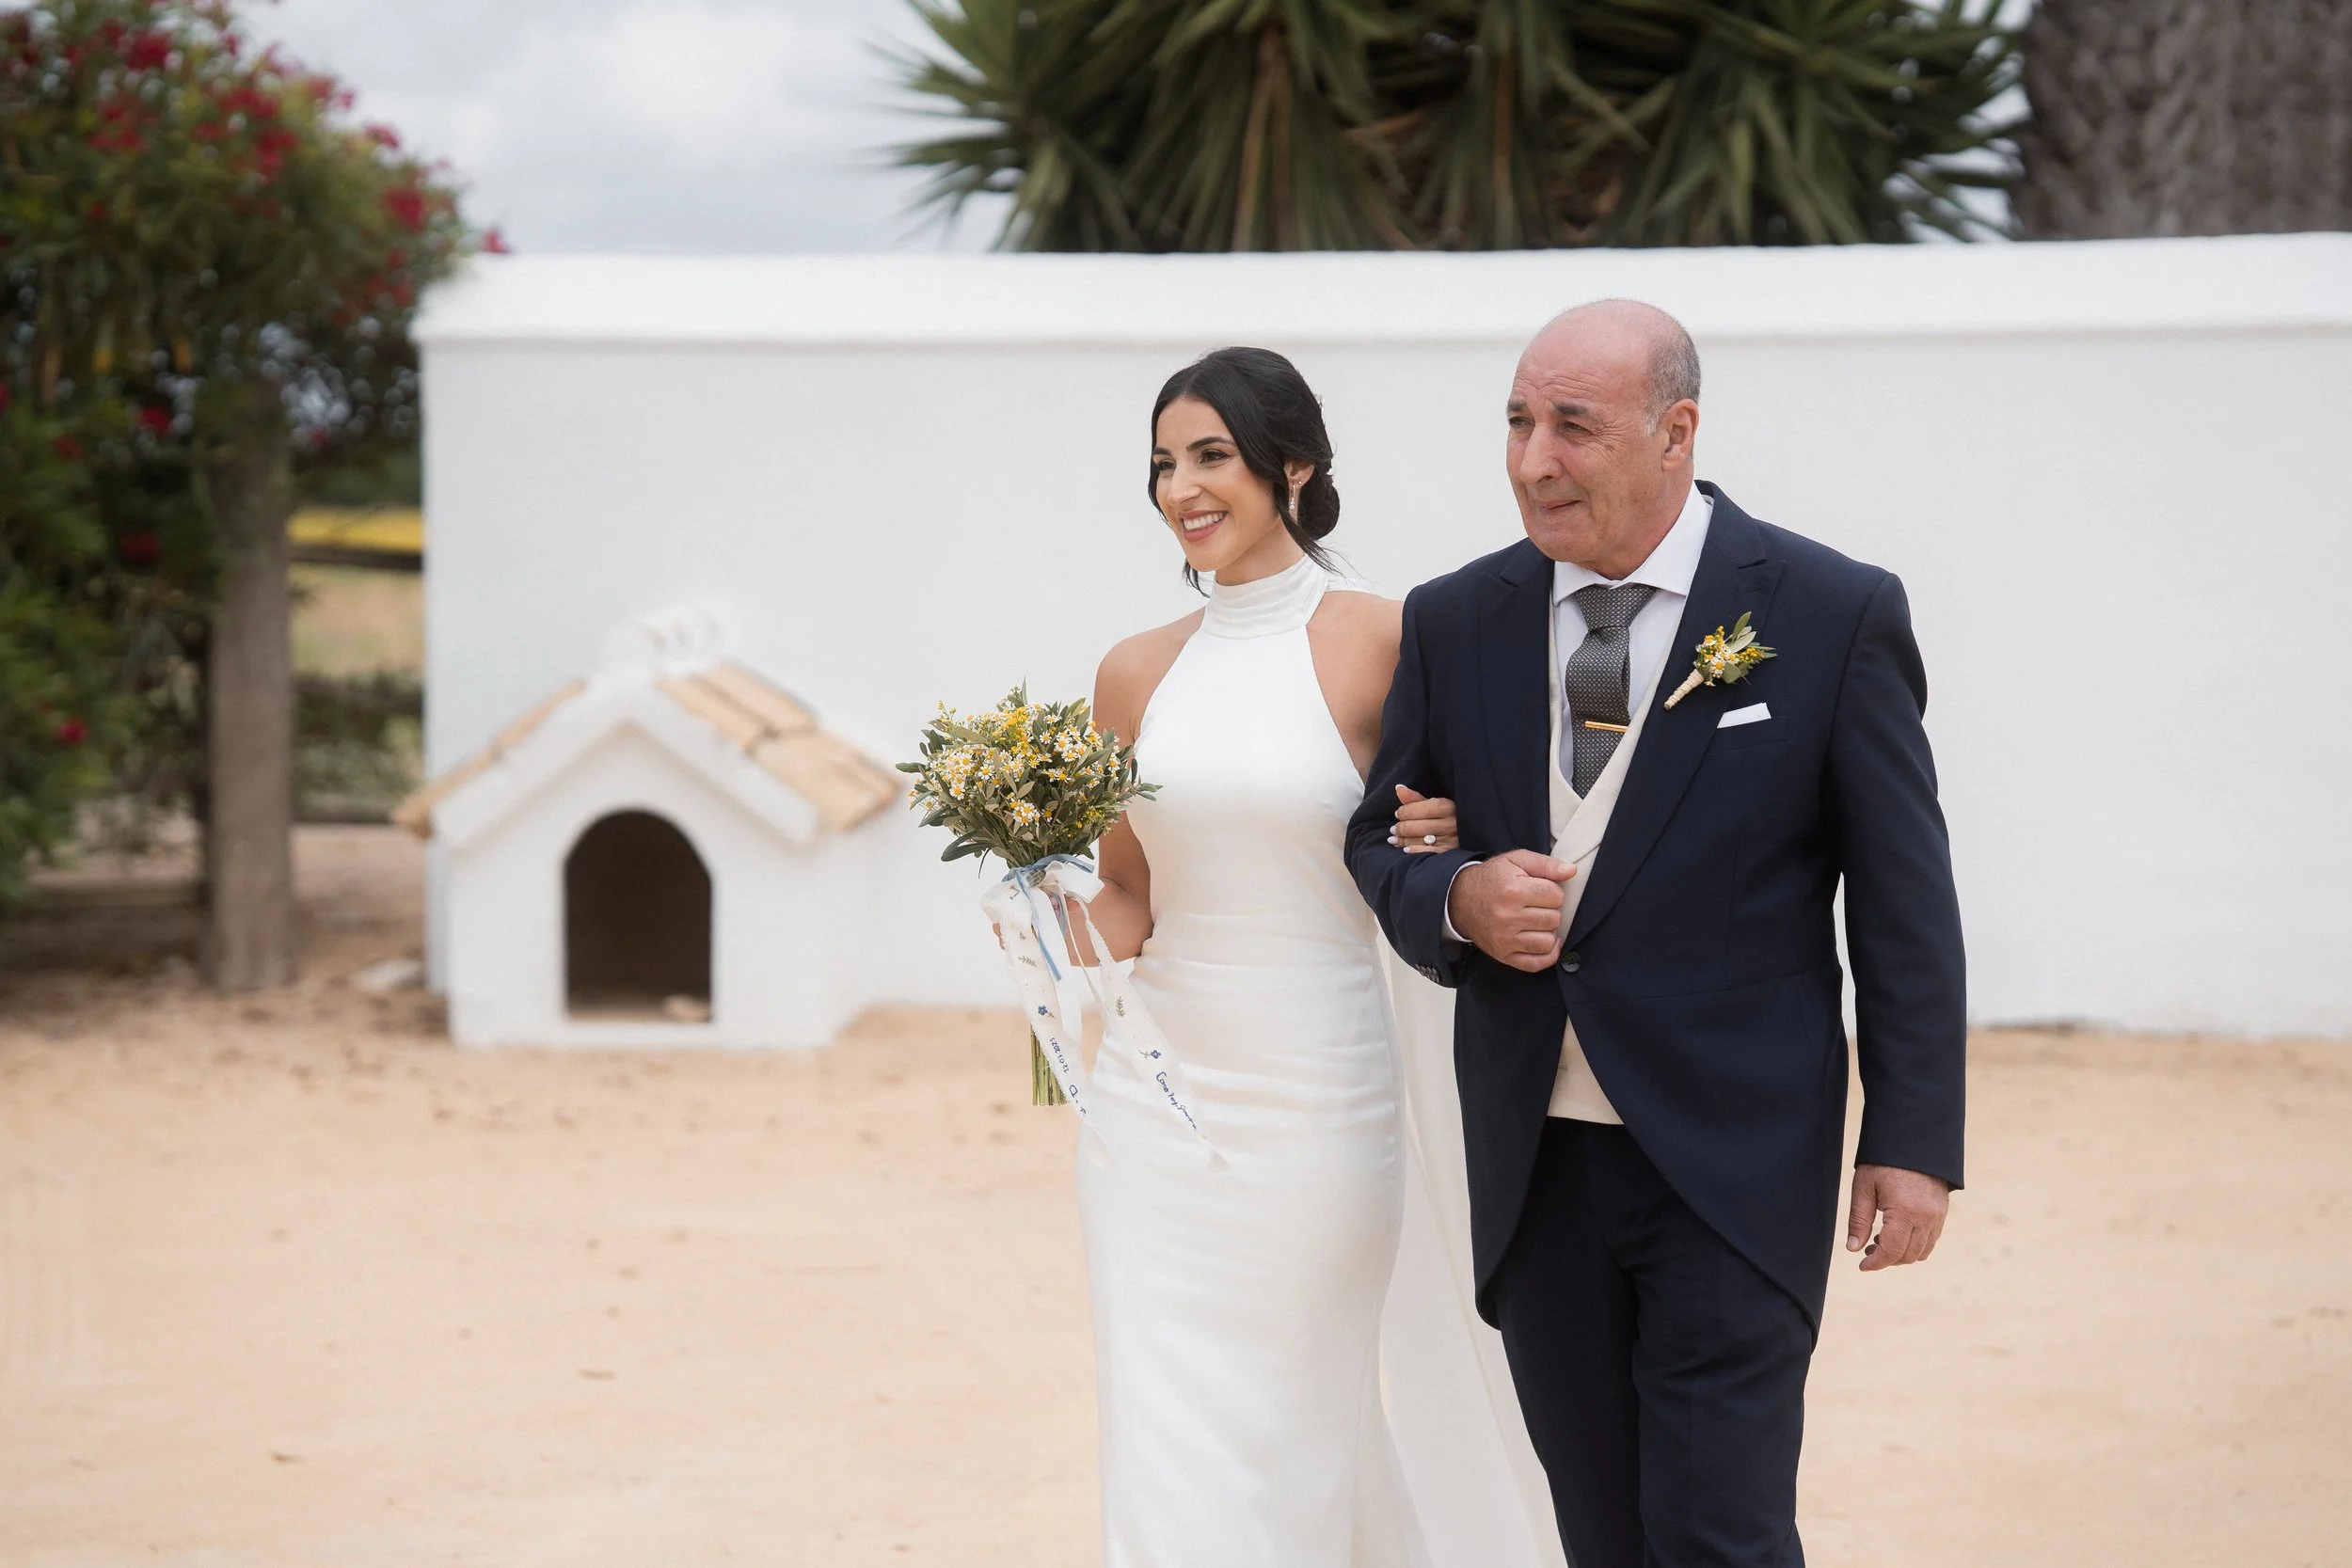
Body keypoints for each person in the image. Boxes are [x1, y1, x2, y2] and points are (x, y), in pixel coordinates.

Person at [1345, 300, 1968, 1568]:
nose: (1533, 459)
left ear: (1676, 430)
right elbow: (1381, 840)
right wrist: (1459, 898)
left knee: (1720, 1532)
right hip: (1537, 1165)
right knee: (1606, 1533)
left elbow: (1904, 903)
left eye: (1572, 425)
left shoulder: (1829, 610)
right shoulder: (1458, 617)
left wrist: (1912, 1138)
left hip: (1735, 1158)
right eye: (1518, 422)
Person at [1064, 346, 1557, 1568]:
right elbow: (1133, 891)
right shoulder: (1132, 673)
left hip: (1321, 1096)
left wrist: (1447, 833)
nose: (1183, 485)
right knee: (1163, 1425)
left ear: (1295, 465)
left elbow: (1466, 839)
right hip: (1154, 1109)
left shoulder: (1388, 638)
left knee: (1294, 1418)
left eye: (1212, 455)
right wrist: (1040, 916)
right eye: (1165, 462)